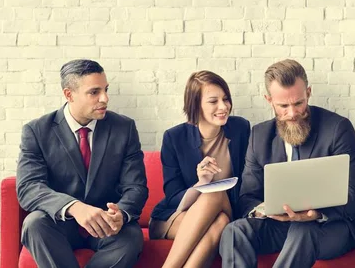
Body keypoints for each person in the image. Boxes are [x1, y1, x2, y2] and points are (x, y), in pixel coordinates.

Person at [219, 59, 355, 268]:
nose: (292, 113)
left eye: (298, 103)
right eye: (283, 106)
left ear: (308, 93)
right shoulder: (259, 135)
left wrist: (315, 214)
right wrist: (263, 210)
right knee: (234, 231)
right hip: (278, 226)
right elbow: (247, 196)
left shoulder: (338, 128)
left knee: (304, 229)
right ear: (269, 100)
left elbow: (352, 197)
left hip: (329, 227)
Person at [16, 59, 149, 268]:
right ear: (69, 94)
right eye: (94, 92)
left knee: (132, 236)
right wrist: (75, 208)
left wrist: (121, 214)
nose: (104, 98)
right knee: (34, 224)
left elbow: (136, 187)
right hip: (61, 223)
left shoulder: (124, 128)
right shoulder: (37, 131)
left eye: (105, 90)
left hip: (107, 224)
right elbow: (29, 187)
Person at [149, 70, 251, 268]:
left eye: (226, 99)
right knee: (218, 219)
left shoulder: (240, 129)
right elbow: (172, 196)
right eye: (213, 101)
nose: (223, 107)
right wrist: (202, 183)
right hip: (176, 216)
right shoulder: (174, 137)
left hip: (228, 208)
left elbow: (250, 178)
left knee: (216, 196)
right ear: (195, 105)